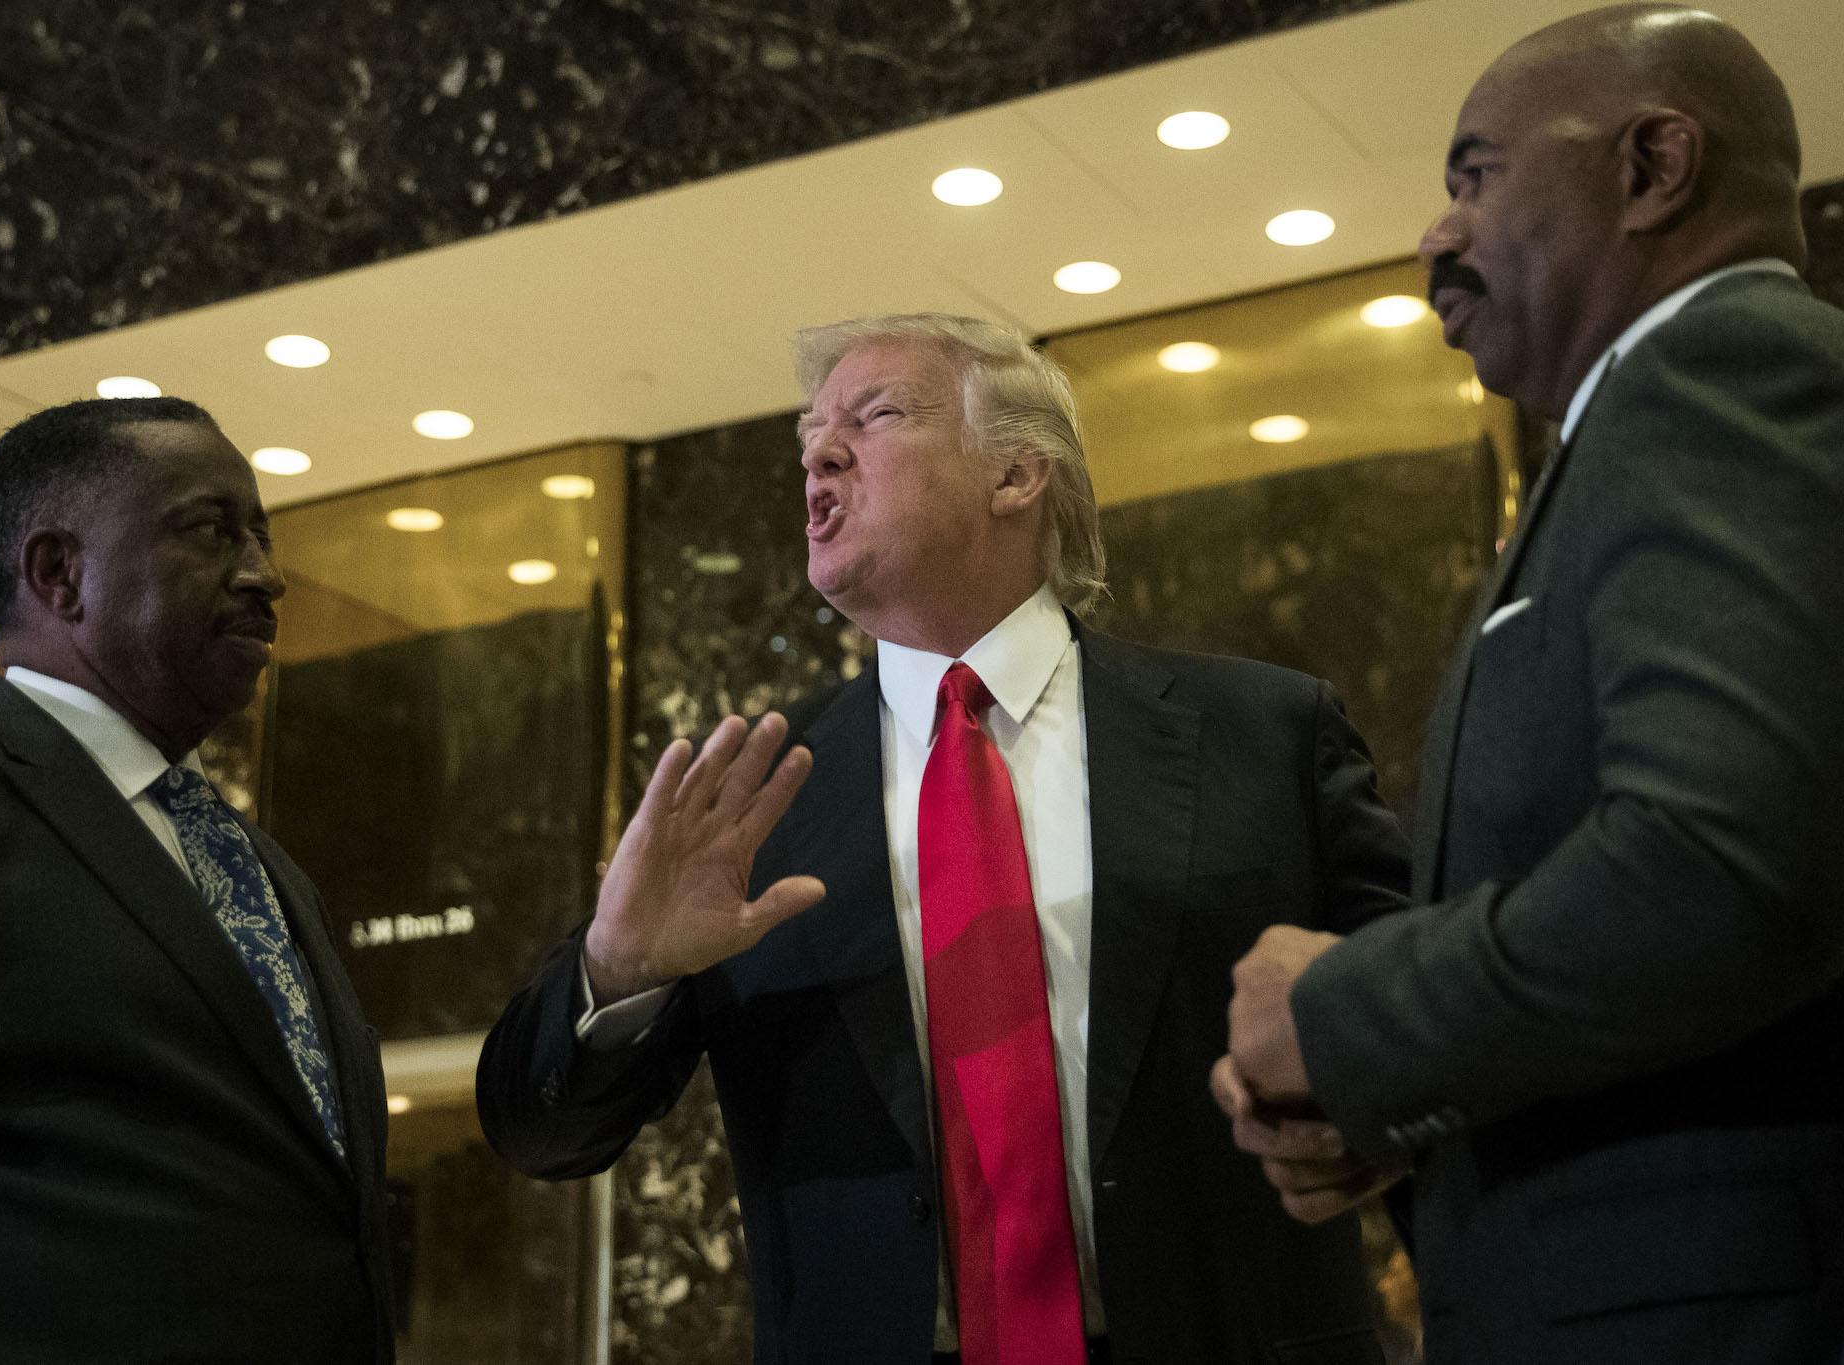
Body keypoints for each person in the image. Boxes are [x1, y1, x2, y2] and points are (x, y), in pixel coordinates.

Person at [478, 313, 1412, 1363]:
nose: (818, 455)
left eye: (873, 417)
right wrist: (618, 970)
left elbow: (1429, 1041)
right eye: (808, 440)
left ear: (1016, 472)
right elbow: (541, 1135)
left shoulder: (1266, 736)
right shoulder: (749, 799)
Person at [1218, 7, 1844, 1363]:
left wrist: (1346, 1015)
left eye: (1477, 175)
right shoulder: (1644, 426)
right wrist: (1396, 1103)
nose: (1436, 233)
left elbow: (1720, 875)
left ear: (1656, 166)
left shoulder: (1728, 371)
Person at [0, 398, 397, 1362]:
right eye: (210, 529)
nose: (266, 575)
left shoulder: (259, 867)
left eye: (263, 535)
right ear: (59, 573)